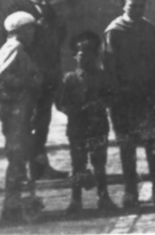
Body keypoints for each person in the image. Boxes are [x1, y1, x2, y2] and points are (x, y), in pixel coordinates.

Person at [103, 0, 155, 208]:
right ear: (123, 5)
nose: (137, 9)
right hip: (124, 98)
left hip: (148, 95)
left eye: (141, 5)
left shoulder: (151, 29)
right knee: (127, 145)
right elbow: (109, 67)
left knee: (154, 142)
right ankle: (130, 192)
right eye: (132, 5)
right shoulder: (114, 31)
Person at [4, 0, 68, 180]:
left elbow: (57, 41)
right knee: (23, 124)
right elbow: (12, 43)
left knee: (42, 123)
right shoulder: (16, 8)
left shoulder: (48, 8)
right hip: (27, 77)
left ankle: (39, 168)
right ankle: (19, 170)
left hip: (47, 75)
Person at [55, 31, 116, 213]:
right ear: (75, 56)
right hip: (77, 128)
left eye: (89, 54)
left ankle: (103, 197)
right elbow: (60, 103)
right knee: (77, 164)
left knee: (99, 164)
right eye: (80, 54)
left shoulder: (103, 76)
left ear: (95, 56)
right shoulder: (69, 79)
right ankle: (76, 199)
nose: (84, 58)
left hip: (98, 126)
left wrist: (100, 105)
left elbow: (111, 97)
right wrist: (75, 111)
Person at [0, 11, 43, 222]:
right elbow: (3, 76)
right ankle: (11, 206)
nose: (32, 33)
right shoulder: (14, 47)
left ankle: (15, 204)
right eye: (29, 29)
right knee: (17, 156)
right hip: (15, 110)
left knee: (20, 156)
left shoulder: (16, 48)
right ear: (19, 30)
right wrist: (30, 82)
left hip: (20, 108)